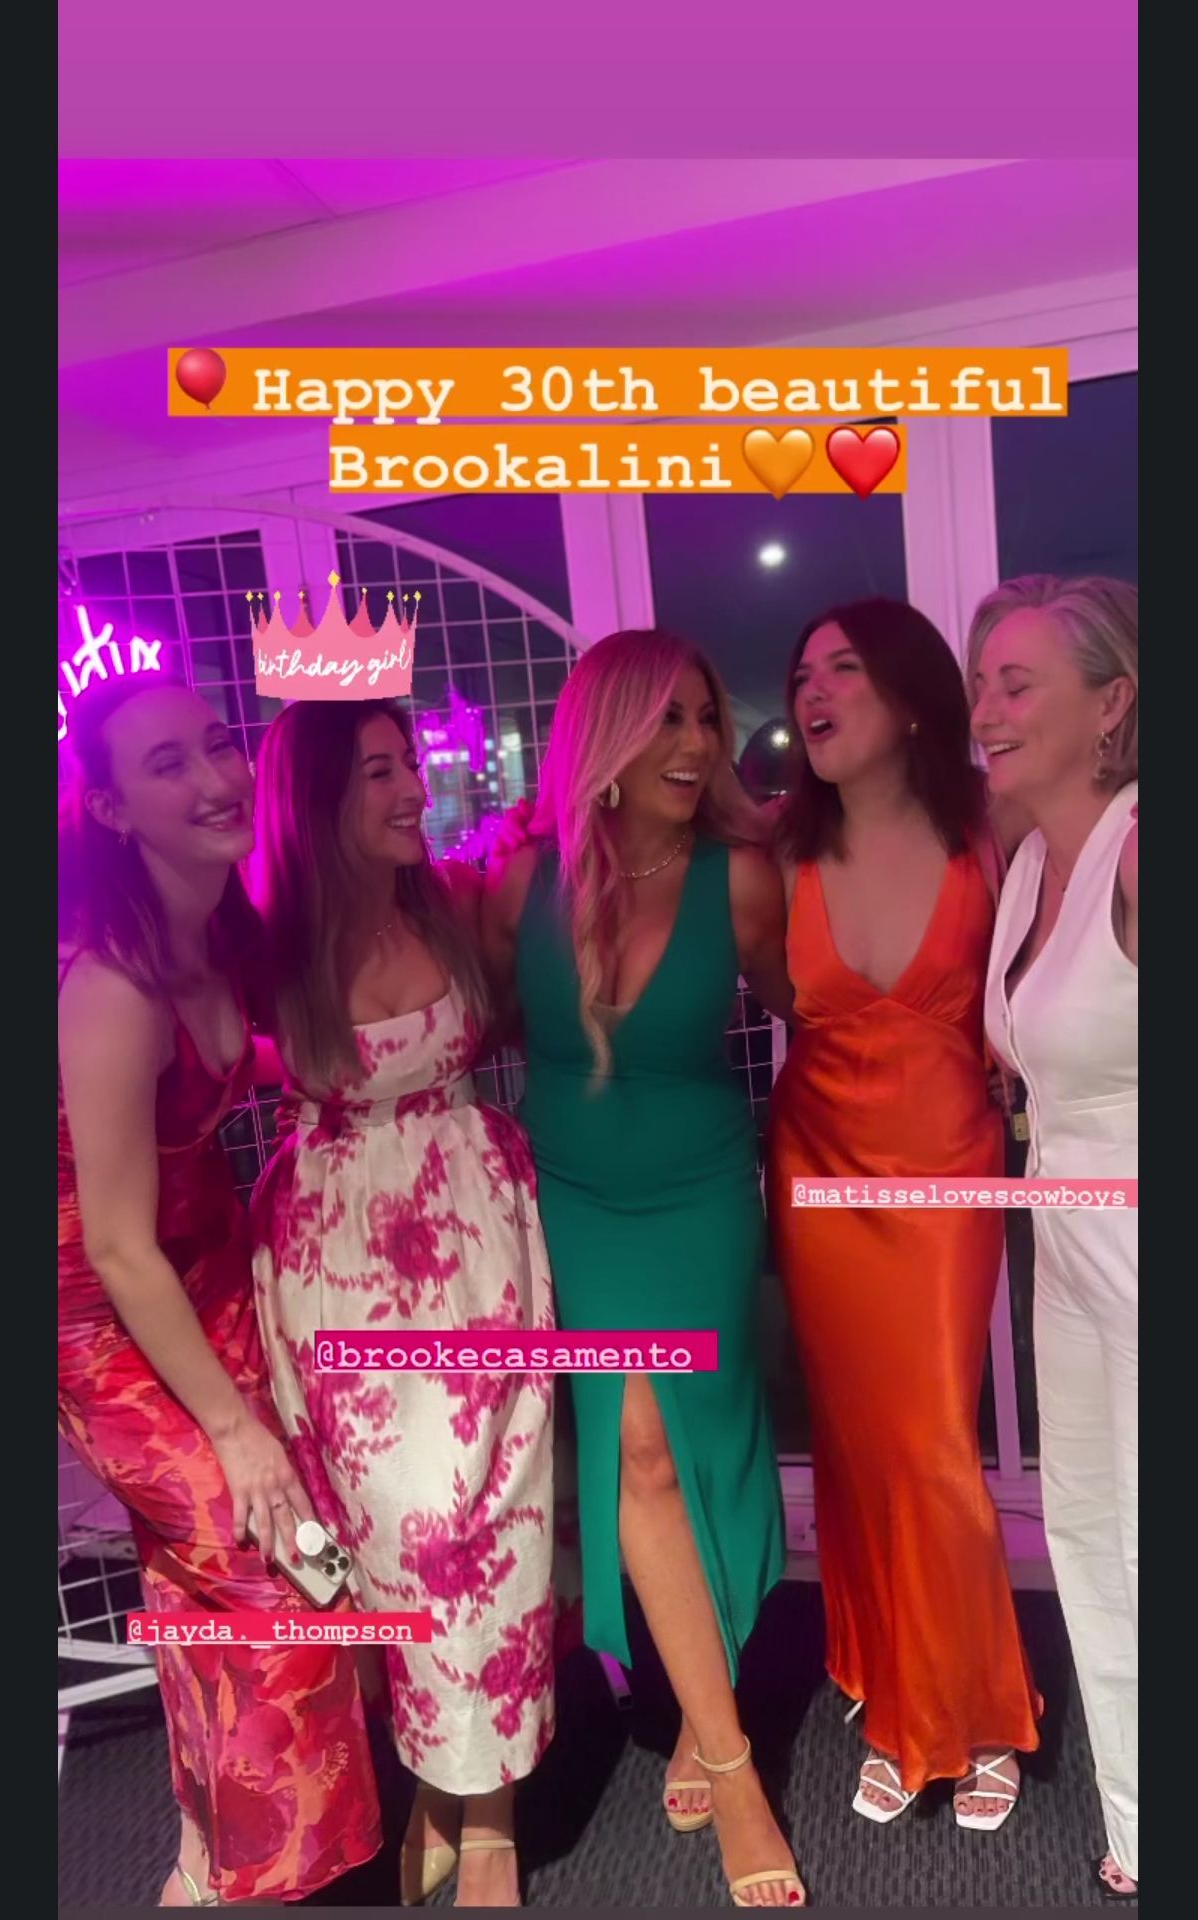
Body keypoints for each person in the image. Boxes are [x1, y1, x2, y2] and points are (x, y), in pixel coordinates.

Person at [484, 629, 806, 1910]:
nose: (695, 743)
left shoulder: (743, 880)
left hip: (700, 1201)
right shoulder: (521, 881)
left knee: (701, 1444)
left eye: (706, 717)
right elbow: (482, 1023)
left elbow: (811, 1010)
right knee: (637, 1449)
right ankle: (730, 1761)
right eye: (667, 718)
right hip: (574, 1203)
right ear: (604, 738)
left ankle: (700, 1700)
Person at [57, 676, 382, 1907]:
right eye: (166, 766)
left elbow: (232, 1063)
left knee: (217, 1559)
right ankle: (280, 1876)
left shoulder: (214, 931)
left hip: (209, 1263)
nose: (213, 779)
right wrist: (235, 1431)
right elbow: (115, 1247)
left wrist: (356, 1070)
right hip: (103, 1310)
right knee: (271, 1567)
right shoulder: (110, 986)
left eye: (217, 745)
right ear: (111, 809)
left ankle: (208, 1860)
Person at [250, 698, 556, 1911]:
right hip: (340, 1266)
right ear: (317, 795)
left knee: (500, 1516)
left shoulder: (450, 902)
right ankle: (438, 1774)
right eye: (379, 770)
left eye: (409, 764)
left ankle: (491, 1813)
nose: (413, 790)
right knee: (400, 1537)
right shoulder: (268, 948)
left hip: (478, 1230)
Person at [765, 598, 1041, 1832]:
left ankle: (979, 1707)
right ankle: (886, 1682)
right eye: (803, 675)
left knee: (930, 1435)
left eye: (846, 669)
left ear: (915, 696)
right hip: (817, 1169)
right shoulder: (774, 847)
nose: (814, 690)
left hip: (940, 1167)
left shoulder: (995, 822)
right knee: (858, 1443)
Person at [970, 574, 1138, 1898]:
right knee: (1084, 1532)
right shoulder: (1031, 860)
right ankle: (1144, 1828)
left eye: (1018, 682)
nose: (988, 707)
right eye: (982, 682)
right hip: (1067, 1233)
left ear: (1113, 704)